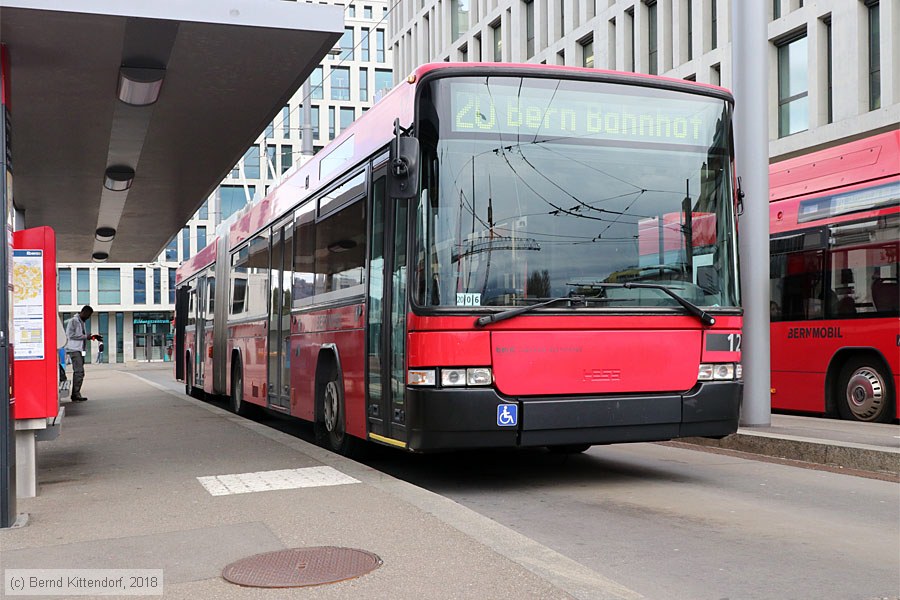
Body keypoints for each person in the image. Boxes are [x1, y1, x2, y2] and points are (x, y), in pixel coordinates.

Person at [65, 305, 94, 402]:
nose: (88, 317)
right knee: (79, 372)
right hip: (74, 349)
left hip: (79, 350)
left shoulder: (81, 322)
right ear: (83, 312)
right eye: (88, 315)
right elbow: (71, 335)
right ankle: (75, 394)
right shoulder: (74, 321)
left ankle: (76, 393)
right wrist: (85, 337)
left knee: (80, 372)